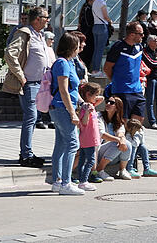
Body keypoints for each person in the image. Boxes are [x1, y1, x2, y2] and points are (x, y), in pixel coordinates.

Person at [3, 6, 52, 168]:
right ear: (37, 19)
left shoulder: (39, 35)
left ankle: (27, 153)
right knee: (30, 118)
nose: (48, 20)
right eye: (46, 17)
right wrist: (21, 76)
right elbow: (10, 54)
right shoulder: (24, 33)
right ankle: (26, 155)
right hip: (29, 84)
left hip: (39, 83)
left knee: (33, 118)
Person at [47, 32, 83, 195]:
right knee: (72, 144)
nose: (79, 49)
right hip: (62, 108)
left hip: (61, 108)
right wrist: (72, 113)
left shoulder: (67, 63)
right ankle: (66, 183)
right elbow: (63, 90)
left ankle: (57, 181)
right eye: (77, 46)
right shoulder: (62, 63)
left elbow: (72, 89)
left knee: (61, 144)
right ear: (72, 47)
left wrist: (82, 103)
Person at [104, 21, 145, 123]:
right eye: (140, 34)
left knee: (138, 120)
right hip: (122, 90)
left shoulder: (139, 47)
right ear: (132, 34)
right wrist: (115, 80)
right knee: (123, 121)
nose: (143, 36)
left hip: (137, 90)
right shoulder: (118, 47)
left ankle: (132, 138)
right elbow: (107, 68)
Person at [93, 97, 131, 181]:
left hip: (112, 155)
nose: (108, 104)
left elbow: (120, 133)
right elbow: (101, 134)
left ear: (117, 107)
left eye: (111, 103)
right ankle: (99, 169)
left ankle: (122, 170)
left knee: (127, 143)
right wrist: (118, 140)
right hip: (98, 152)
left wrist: (122, 139)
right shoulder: (99, 116)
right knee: (116, 143)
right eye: (107, 102)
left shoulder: (118, 121)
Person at [75, 82, 103, 191]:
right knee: (90, 161)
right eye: (95, 95)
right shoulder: (86, 108)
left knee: (82, 160)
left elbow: (102, 98)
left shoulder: (90, 104)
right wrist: (87, 111)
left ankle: (81, 179)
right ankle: (84, 181)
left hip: (87, 139)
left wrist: (93, 97)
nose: (97, 98)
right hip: (89, 139)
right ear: (88, 94)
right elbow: (84, 122)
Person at [35, 31, 57, 130]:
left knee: (49, 98)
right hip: (41, 76)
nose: (52, 41)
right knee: (40, 97)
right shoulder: (42, 48)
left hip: (49, 76)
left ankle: (49, 120)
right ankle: (38, 119)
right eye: (50, 39)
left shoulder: (51, 50)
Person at [90, 0, 112, 76]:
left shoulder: (94, 2)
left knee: (96, 49)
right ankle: (96, 70)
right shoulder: (102, 2)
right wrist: (110, 20)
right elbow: (105, 16)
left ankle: (94, 69)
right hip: (102, 26)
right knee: (100, 49)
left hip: (95, 26)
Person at [76, 0, 95, 69]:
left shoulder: (85, 8)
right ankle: (85, 67)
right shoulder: (88, 9)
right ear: (90, 0)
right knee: (88, 52)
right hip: (88, 33)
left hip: (86, 32)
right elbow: (89, 22)